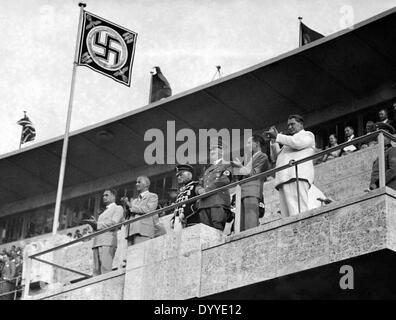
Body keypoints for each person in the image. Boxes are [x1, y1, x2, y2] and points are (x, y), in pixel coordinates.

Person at [266, 114, 315, 217]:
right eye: (288, 125)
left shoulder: (307, 135)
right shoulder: (287, 142)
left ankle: (302, 229)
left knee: (299, 210)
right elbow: (275, 157)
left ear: (301, 124)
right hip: (284, 177)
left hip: (297, 175)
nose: (289, 127)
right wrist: (274, 141)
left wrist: (278, 136)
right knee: (287, 214)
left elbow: (297, 144)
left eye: (292, 124)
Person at [232, 134, 270, 230]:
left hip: (253, 190)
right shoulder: (251, 158)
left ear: (256, 144)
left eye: (249, 142)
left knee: (251, 221)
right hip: (243, 191)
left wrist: (240, 167)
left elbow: (254, 173)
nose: (247, 145)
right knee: (241, 223)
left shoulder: (262, 156)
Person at [83, 189, 124, 276]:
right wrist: (94, 224)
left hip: (107, 242)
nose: (104, 197)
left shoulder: (118, 208)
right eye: (103, 196)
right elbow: (100, 227)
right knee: (96, 271)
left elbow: (114, 223)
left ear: (113, 196)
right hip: (97, 242)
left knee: (105, 269)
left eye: (106, 195)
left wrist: (97, 224)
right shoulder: (102, 213)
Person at [195, 142, 233, 231]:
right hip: (204, 203)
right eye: (211, 150)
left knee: (218, 226)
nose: (211, 152)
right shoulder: (207, 169)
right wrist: (199, 190)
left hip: (218, 201)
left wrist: (206, 191)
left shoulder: (227, 164)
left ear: (222, 151)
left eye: (214, 149)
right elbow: (199, 184)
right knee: (206, 231)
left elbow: (224, 180)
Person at [121, 176, 159, 245]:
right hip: (130, 232)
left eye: (139, 182)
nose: (136, 184)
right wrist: (126, 206)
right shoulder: (134, 201)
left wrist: (130, 205)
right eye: (136, 182)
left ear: (146, 185)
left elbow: (148, 209)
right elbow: (127, 216)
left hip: (143, 231)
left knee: (141, 254)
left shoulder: (152, 196)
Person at [170, 164, 200, 230]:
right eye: (177, 176)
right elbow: (179, 207)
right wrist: (174, 218)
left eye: (181, 175)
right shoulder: (181, 191)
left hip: (193, 221)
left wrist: (185, 214)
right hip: (179, 224)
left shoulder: (196, 185)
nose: (178, 177)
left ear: (189, 175)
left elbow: (199, 202)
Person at [369, 122, 396, 191]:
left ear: (386, 134)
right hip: (379, 190)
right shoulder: (381, 155)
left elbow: (393, 170)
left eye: (379, 135)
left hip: (389, 189)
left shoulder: (392, 150)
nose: (377, 138)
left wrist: (377, 184)